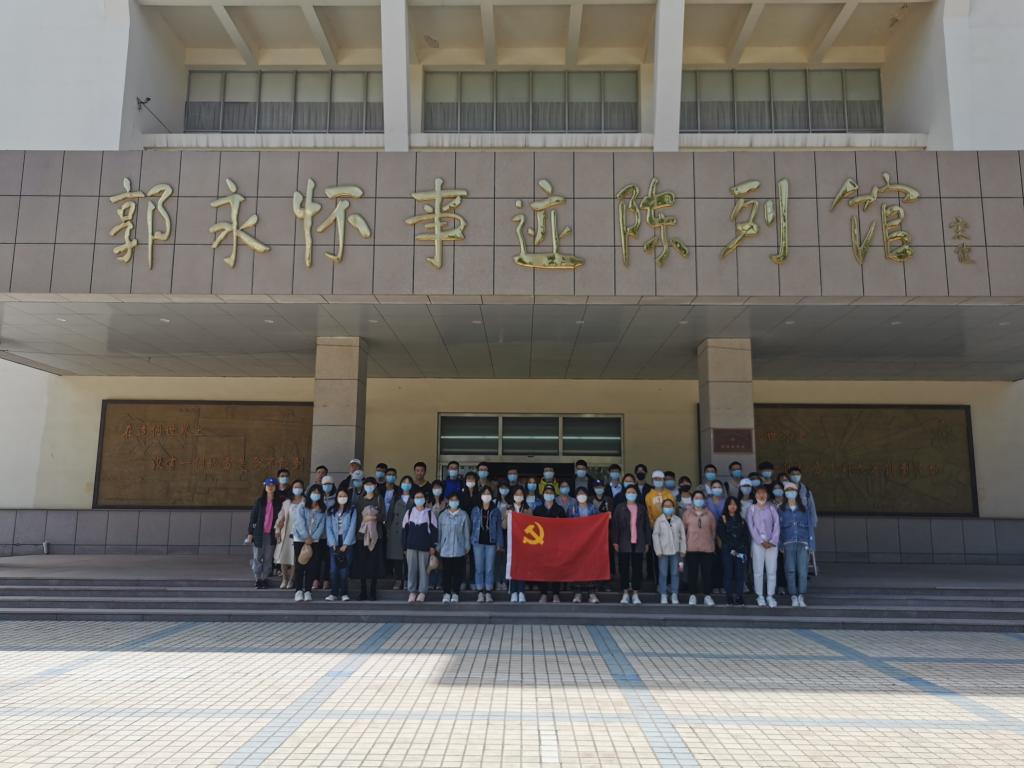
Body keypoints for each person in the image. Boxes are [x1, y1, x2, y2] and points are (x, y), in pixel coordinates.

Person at [611, 484, 650, 605]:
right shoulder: (620, 507)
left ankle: (636, 593)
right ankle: (625, 593)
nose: (631, 494)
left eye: (633, 492)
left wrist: (647, 542)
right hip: (624, 542)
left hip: (639, 541)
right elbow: (615, 525)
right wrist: (615, 541)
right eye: (629, 492)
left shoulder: (641, 508)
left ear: (637, 494)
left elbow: (646, 526)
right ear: (625, 494)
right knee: (624, 568)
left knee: (637, 568)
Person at [779, 482, 815, 607]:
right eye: (788, 490)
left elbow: (810, 527)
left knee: (803, 571)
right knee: (790, 570)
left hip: (803, 542)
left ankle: (801, 595)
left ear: (797, 492)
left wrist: (812, 544)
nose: (790, 492)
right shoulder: (781, 509)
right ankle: (793, 596)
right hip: (788, 543)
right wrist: (780, 544)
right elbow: (778, 529)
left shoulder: (804, 509)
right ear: (785, 493)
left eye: (792, 489)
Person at [351, 478, 385, 601]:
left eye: (371, 484)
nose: (369, 486)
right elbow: (356, 518)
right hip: (362, 536)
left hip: (376, 536)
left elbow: (383, 516)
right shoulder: (360, 499)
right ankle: (363, 590)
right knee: (362, 564)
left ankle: (373, 591)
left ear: (375, 486)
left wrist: (373, 517)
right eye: (367, 484)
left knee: (374, 564)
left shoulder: (379, 498)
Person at [746, 485, 780, 608]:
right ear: (755, 495)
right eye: (759, 493)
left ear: (767, 495)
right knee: (758, 571)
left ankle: (770, 595)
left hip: (772, 544)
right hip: (757, 544)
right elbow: (751, 527)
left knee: (771, 571)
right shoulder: (751, 509)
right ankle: (760, 596)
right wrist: (760, 541)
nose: (761, 495)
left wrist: (772, 541)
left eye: (764, 493)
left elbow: (777, 525)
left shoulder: (772, 508)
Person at [292, 483, 326, 602]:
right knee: (300, 565)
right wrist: (306, 537)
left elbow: (321, 526)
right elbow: (299, 522)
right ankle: (298, 590)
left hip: (314, 541)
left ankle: (307, 590)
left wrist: (313, 538)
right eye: (313, 492)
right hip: (300, 539)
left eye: (318, 492)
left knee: (312, 566)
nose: (315, 494)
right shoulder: (301, 507)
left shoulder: (322, 510)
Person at [245, 478, 281, 589]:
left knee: (268, 558)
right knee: (257, 557)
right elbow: (253, 518)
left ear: (276, 487)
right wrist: (250, 533)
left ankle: (264, 578)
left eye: (272, 485)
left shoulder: (278, 502)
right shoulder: (260, 501)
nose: (270, 487)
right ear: (265, 487)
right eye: (268, 485)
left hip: (271, 535)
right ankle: (257, 579)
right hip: (259, 534)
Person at [402, 489, 437, 602]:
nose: (419, 499)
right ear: (413, 499)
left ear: (425, 499)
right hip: (411, 546)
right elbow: (404, 531)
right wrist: (404, 546)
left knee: (424, 570)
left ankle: (422, 592)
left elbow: (434, 531)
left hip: (425, 547)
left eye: (421, 497)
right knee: (411, 569)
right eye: (417, 497)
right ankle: (412, 591)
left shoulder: (430, 513)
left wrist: (433, 546)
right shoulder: (409, 512)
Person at [682, 490, 716, 606]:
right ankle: (692, 595)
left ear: (704, 500)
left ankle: (707, 595)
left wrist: (710, 542)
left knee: (707, 573)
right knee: (692, 573)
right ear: (692, 500)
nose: (698, 500)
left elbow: (713, 531)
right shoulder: (687, 514)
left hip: (707, 548)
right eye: (696, 498)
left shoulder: (709, 514)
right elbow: (683, 531)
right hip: (691, 548)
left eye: (701, 498)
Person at [569, 487, 601, 604]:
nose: (581, 495)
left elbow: (599, 522)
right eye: (579, 494)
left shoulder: (593, 508)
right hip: (576, 542)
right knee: (577, 566)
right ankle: (577, 593)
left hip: (590, 542)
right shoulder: (572, 508)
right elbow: (568, 524)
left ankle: (591, 593)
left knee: (590, 566)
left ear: (587, 495)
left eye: (583, 493)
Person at [535, 485, 566, 602]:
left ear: (554, 494)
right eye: (546, 492)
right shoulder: (538, 510)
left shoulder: (560, 510)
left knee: (556, 568)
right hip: (541, 543)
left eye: (551, 492)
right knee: (541, 568)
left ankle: (556, 593)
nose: (549, 494)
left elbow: (565, 527)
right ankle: (543, 593)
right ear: (543, 495)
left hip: (555, 544)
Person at [652, 498, 686, 605]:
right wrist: (658, 550)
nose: (668, 508)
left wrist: (683, 549)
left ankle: (674, 594)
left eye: (670, 506)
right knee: (663, 573)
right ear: (662, 508)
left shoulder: (678, 520)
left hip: (676, 551)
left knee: (675, 573)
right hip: (663, 552)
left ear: (673, 507)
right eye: (666, 506)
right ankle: (663, 594)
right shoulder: (659, 520)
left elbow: (683, 536)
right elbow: (655, 536)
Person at [471, 487, 502, 603]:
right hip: (477, 542)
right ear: (481, 495)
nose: (486, 495)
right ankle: (480, 592)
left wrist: (499, 543)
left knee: (489, 568)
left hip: (491, 542)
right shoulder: (475, 509)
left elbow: (499, 528)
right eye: (484, 493)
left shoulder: (496, 510)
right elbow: (472, 526)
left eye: (489, 493)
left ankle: (488, 592)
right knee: (479, 568)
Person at [325, 487, 357, 601]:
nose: (342, 498)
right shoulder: (331, 510)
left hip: (347, 542)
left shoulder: (352, 510)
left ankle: (344, 593)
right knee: (333, 569)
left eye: (344, 496)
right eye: (340, 496)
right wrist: (333, 543)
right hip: (334, 542)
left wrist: (346, 544)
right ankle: (333, 593)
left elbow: (352, 527)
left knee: (344, 570)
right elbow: (328, 527)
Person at [438, 494, 471, 603]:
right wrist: (438, 546)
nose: (453, 502)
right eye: (451, 500)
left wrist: (467, 546)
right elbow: (439, 533)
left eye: (456, 500)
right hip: (445, 549)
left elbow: (467, 532)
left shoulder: (464, 515)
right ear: (448, 501)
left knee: (457, 573)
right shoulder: (443, 515)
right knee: (446, 573)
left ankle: (456, 593)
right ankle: (446, 593)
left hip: (459, 549)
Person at [718, 496, 750, 606]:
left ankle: (739, 596)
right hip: (728, 550)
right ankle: (729, 596)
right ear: (727, 506)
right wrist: (732, 546)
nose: (732, 506)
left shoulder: (742, 520)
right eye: (730, 504)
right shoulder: (722, 519)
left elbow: (745, 536)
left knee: (740, 573)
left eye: (735, 504)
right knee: (728, 573)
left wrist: (739, 546)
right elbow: (722, 534)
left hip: (740, 551)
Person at [386, 476, 415, 590]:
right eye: (404, 482)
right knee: (397, 557)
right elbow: (390, 515)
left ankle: (408, 580)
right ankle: (398, 580)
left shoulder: (414, 498)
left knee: (409, 557)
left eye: (408, 482)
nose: (406, 484)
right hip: (396, 530)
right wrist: (389, 530)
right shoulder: (396, 497)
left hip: (410, 530)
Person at [505, 486, 530, 603]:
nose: (518, 496)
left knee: (522, 567)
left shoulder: (527, 510)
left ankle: (521, 591)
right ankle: (513, 592)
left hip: (523, 543)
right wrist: (507, 517)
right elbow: (503, 526)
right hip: (511, 542)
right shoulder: (508, 508)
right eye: (516, 494)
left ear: (524, 496)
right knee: (512, 566)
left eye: (521, 494)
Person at [273, 479, 298, 589]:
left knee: (294, 558)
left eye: (299, 487)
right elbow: (280, 517)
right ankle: (284, 578)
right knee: (283, 557)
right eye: (295, 487)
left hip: (298, 534)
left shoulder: (305, 502)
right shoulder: (286, 503)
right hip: (286, 533)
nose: (297, 489)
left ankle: (291, 579)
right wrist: (277, 529)